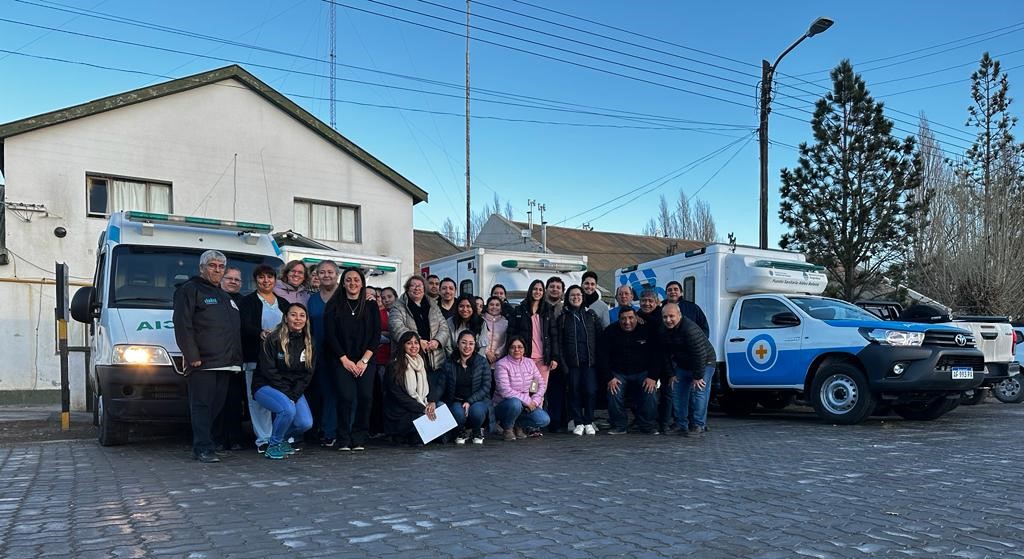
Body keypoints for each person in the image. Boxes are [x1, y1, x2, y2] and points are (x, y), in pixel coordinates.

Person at [172, 250, 242, 463]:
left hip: (225, 363)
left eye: (221, 267)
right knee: (202, 406)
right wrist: (191, 355)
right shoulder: (189, 290)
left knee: (216, 407)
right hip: (203, 362)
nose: (217, 270)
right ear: (202, 268)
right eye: (213, 265)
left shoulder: (223, 295)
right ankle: (201, 448)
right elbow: (182, 324)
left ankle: (209, 443)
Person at [324, 267, 380, 451]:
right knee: (346, 398)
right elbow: (330, 335)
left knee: (365, 397)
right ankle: (343, 438)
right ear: (343, 283)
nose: (352, 283)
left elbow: (376, 335)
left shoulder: (371, 305)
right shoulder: (334, 305)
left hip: (366, 359)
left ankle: (359, 437)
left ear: (362, 283)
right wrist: (345, 360)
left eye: (356, 280)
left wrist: (364, 360)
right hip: (342, 359)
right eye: (348, 280)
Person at [252, 304, 315, 459]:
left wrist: (294, 395)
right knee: (287, 410)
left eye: (302, 315)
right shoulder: (273, 338)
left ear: (306, 320)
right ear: (286, 318)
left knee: (305, 423)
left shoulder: (309, 341)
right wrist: (288, 395)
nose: (298, 319)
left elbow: (308, 373)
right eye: (293, 315)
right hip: (266, 386)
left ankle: (283, 439)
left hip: (292, 390)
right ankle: (273, 446)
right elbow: (268, 371)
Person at [239, 264, 289, 453]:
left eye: (269, 277)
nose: (266, 280)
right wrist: (259, 333)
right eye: (261, 277)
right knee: (258, 400)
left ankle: (279, 437)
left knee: (280, 398)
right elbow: (243, 326)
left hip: (280, 359)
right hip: (255, 357)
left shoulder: (283, 303)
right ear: (256, 280)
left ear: (275, 280)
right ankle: (264, 439)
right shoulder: (248, 301)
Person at [508, 279, 560, 432]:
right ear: (530, 290)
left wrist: (554, 357)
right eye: (535, 289)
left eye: (540, 290)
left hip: (542, 360)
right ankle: (523, 422)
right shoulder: (520, 310)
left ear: (543, 293)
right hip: (526, 359)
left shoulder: (547, 312)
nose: (537, 292)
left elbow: (553, 336)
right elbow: (512, 334)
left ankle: (534, 425)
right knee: (525, 390)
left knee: (538, 391)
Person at [659, 303, 717, 437]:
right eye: (665, 317)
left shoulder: (690, 329)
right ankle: (680, 424)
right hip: (683, 364)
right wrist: (671, 374)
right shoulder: (663, 330)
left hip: (705, 362)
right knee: (678, 393)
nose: (668, 320)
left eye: (671, 316)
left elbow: (699, 354)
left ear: (679, 315)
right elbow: (665, 354)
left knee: (699, 392)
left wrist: (698, 376)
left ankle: (698, 425)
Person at [598, 307, 657, 435]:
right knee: (614, 392)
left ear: (636, 318)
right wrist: (609, 378)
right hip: (618, 373)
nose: (627, 322)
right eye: (623, 319)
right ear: (618, 319)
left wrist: (652, 376)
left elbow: (657, 355)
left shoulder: (647, 331)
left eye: (631, 318)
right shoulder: (609, 332)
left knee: (650, 392)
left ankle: (648, 425)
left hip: (643, 372)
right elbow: (602, 357)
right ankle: (619, 426)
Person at [553, 285, 602, 436]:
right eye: (572, 295)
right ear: (567, 298)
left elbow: (599, 338)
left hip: (589, 363)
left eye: (578, 294)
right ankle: (578, 421)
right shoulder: (563, 318)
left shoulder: (591, 315)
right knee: (573, 392)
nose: (576, 297)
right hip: (572, 363)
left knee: (591, 392)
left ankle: (588, 421)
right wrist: (563, 363)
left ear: (583, 297)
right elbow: (559, 343)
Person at [383, 331, 443, 444]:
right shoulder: (394, 365)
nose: (414, 346)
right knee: (425, 418)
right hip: (401, 411)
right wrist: (422, 408)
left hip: (420, 404)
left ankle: (422, 435)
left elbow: (430, 384)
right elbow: (398, 396)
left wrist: (432, 401)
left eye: (416, 343)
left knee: (440, 406)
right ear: (402, 345)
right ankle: (410, 435)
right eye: (409, 343)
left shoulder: (421, 361)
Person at [306, 260, 340, 447]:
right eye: (322, 272)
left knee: (336, 393)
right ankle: (318, 429)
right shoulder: (311, 300)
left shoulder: (344, 297)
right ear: (317, 276)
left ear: (336, 275)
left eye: (330, 272)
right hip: (317, 353)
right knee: (321, 392)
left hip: (340, 355)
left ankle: (331, 430)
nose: (326, 275)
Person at [438, 331, 492, 444]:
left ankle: (476, 430)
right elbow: (441, 385)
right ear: (458, 344)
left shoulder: (482, 362)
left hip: (477, 400)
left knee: (477, 412)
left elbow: (486, 386)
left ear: (475, 346)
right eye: (464, 343)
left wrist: (469, 401)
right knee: (458, 413)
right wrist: (432, 400)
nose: (467, 346)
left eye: (471, 344)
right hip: (456, 400)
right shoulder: (449, 362)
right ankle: (460, 431)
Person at [389, 275, 452, 372]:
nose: (417, 288)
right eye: (413, 285)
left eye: (420, 286)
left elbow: (444, 326)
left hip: (434, 359)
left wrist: (437, 341)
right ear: (407, 288)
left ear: (424, 288)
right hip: (408, 361)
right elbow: (397, 328)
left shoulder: (433, 305)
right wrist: (418, 342)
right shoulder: (398, 306)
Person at [493, 336, 550, 441]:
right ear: (508, 349)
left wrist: (535, 400)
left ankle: (517, 424)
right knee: (515, 403)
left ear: (524, 349)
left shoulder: (529, 363)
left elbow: (538, 383)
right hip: (504, 405)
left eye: (520, 347)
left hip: (525, 405)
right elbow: (505, 390)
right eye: (513, 347)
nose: (517, 350)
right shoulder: (502, 364)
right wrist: (527, 400)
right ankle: (507, 428)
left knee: (544, 419)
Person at [214, 266, 246, 451]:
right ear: (221, 279)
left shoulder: (245, 302)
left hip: (238, 358)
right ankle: (217, 438)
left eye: (237, 279)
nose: (233, 282)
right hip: (217, 358)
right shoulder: (213, 298)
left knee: (234, 401)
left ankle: (235, 438)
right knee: (217, 401)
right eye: (229, 278)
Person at [482, 296, 508, 366]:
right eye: (491, 304)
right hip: (482, 359)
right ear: (487, 307)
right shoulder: (481, 320)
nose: (494, 307)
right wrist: (486, 352)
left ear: (501, 308)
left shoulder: (505, 323)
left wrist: (497, 354)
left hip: (499, 361)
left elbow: (506, 341)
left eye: (497, 305)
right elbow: (478, 339)